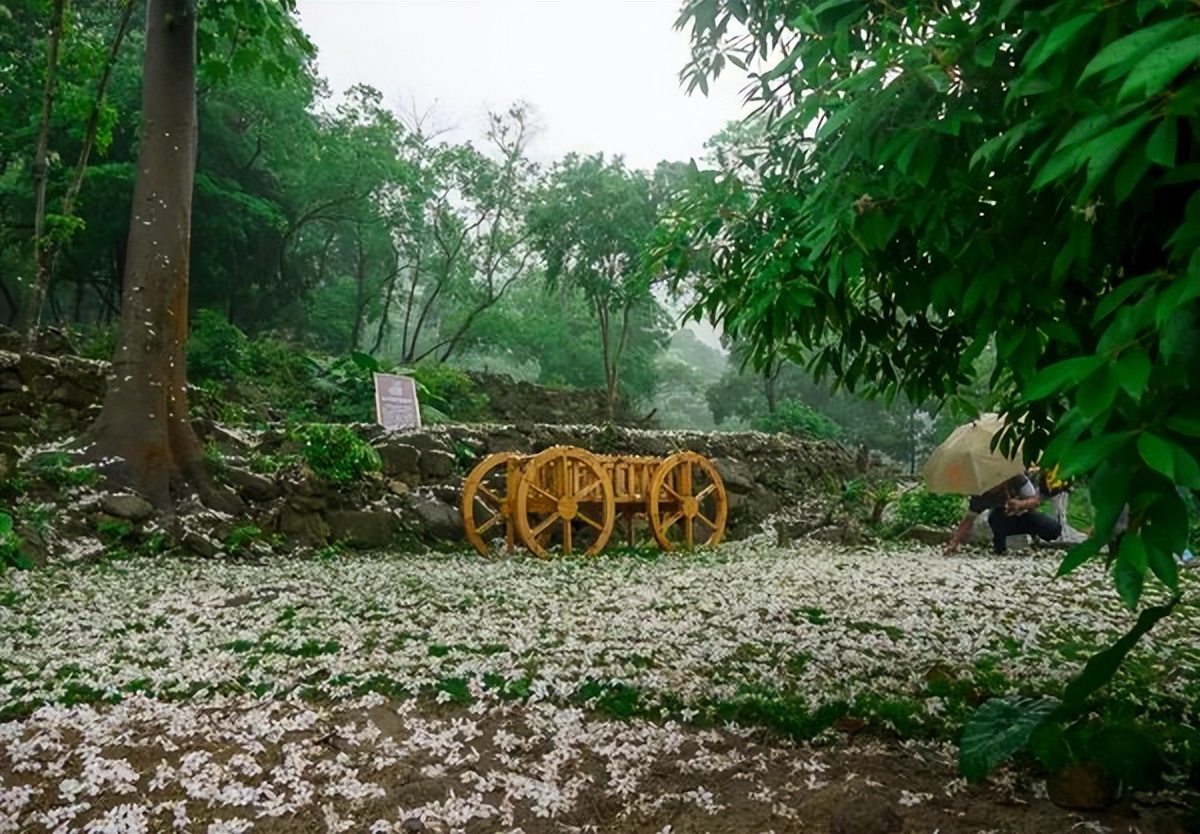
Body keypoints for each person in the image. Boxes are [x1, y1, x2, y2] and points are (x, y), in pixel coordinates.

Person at [944, 471, 1063, 555]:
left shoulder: (1017, 479)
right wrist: (956, 541)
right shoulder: (980, 496)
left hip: (1025, 515)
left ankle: (1036, 538)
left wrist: (1020, 504)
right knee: (996, 517)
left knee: (1054, 530)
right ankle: (1000, 547)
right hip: (1001, 519)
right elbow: (969, 519)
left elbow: (1034, 501)